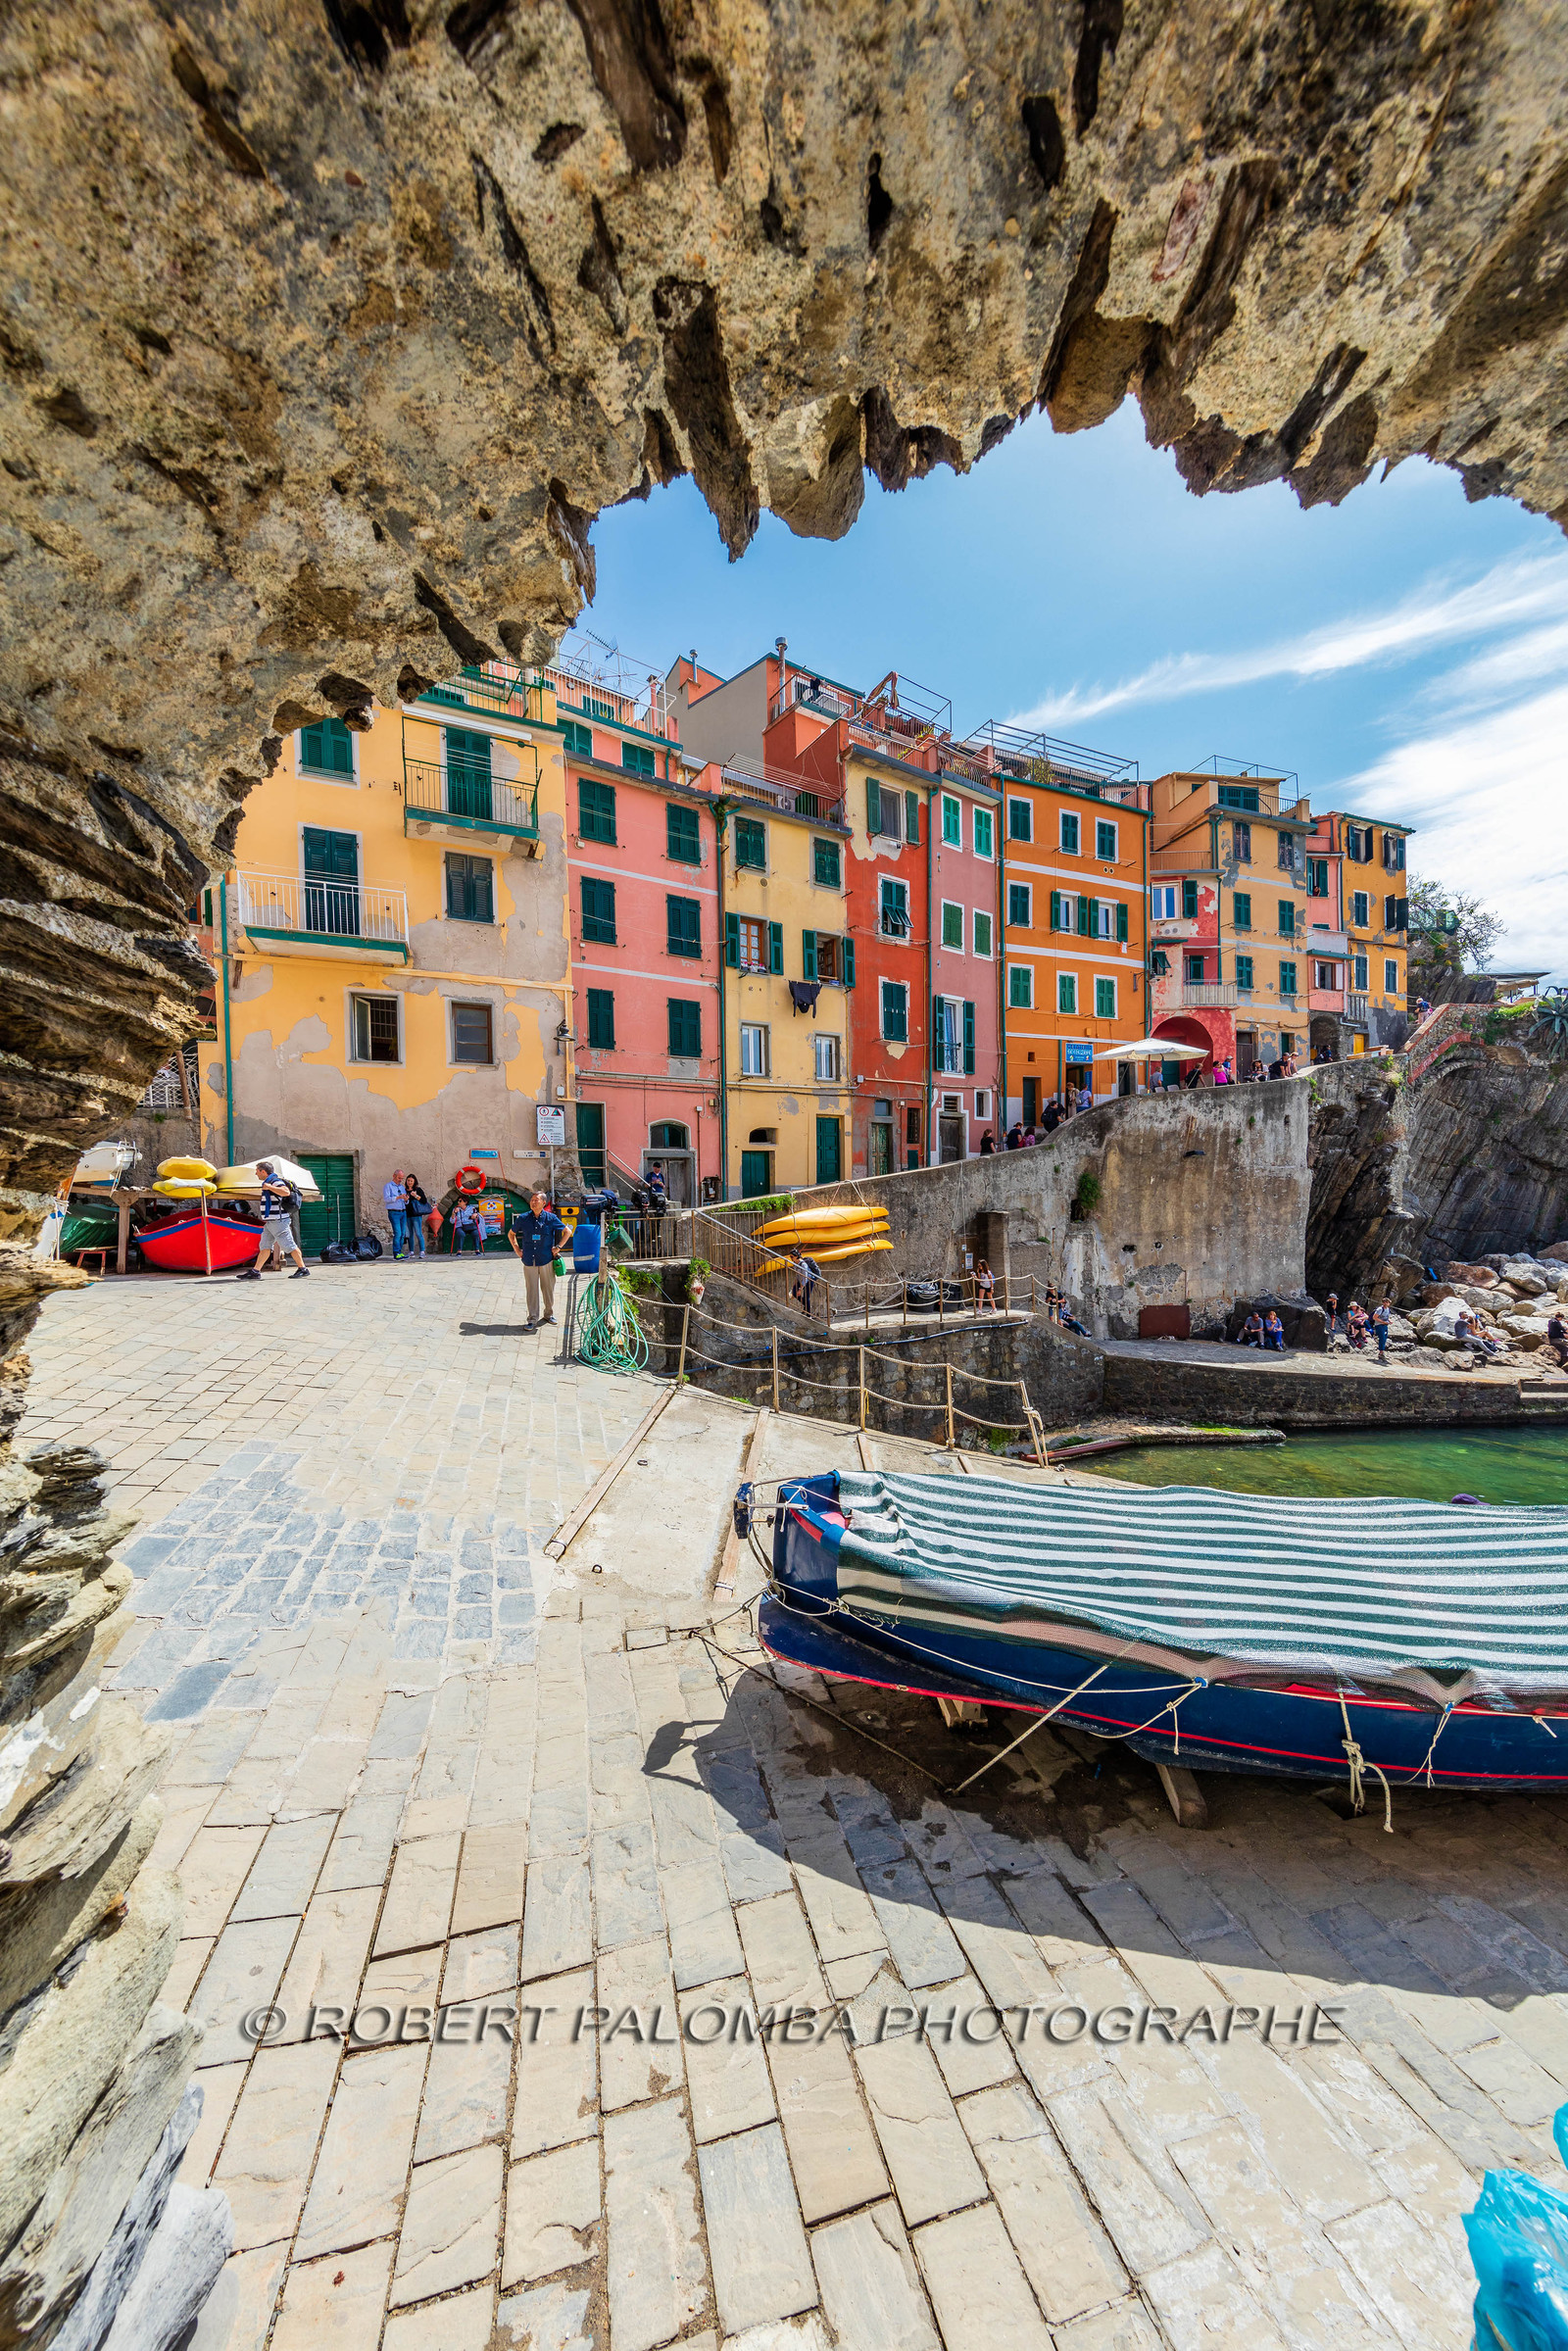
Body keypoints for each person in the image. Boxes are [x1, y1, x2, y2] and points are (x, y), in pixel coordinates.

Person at [236, 1160, 309, 1280]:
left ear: (263, 1171)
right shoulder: (270, 1182)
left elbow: (286, 1192)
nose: (256, 1174)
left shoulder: (275, 1182)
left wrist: (268, 1187)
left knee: (289, 1245)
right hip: (271, 1222)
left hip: (279, 1221)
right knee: (265, 1246)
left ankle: (303, 1269)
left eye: (257, 1171)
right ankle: (255, 1272)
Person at [508, 1187, 568, 1326]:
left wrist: (558, 1247)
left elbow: (567, 1231)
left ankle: (549, 1314)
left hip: (546, 1259)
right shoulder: (523, 1218)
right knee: (532, 1291)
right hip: (529, 1260)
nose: (533, 1202)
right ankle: (532, 1318)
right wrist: (517, 1250)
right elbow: (511, 1234)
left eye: (536, 1200)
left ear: (543, 1203)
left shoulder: (551, 1218)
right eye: (532, 1200)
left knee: (548, 1289)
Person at [403, 1171, 431, 1258]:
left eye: (411, 1181)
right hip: (407, 1215)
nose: (409, 1182)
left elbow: (424, 1201)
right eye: (408, 1180)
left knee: (418, 1233)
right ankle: (411, 1252)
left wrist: (415, 1196)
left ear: (414, 1181)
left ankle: (422, 1251)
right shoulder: (404, 1190)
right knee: (410, 1234)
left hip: (416, 1215)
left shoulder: (418, 1190)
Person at [788, 1246, 821, 1316]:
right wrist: (794, 1285)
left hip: (809, 1280)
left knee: (806, 1297)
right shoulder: (795, 1265)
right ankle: (806, 1307)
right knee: (794, 1292)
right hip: (801, 1280)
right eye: (790, 1257)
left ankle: (809, 1315)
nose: (791, 1258)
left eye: (792, 1257)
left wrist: (800, 1289)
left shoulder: (803, 1265)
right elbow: (798, 1275)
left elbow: (805, 1277)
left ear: (796, 1256)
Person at [383, 1169, 409, 1258]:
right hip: (394, 1212)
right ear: (394, 1176)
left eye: (402, 1178)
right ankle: (396, 1253)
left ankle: (400, 1252)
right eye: (399, 1178)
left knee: (403, 1233)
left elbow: (406, 1201)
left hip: (403, 1211)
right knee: (397, 1233)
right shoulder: (388, 1186)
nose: (400, 1180)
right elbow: (386, 1199)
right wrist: (398, 1197)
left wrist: (406, 1200)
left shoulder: (402, 1187)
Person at [1371, 1298, 1392, 1362]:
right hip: (1379, 1325)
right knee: (1382, 1338)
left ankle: (1381, 1352)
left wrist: (1389, 1321)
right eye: (1384, 1302)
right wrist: (1383, 1322)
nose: (1386, 1303)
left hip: (1385, 1325)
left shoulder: (1388, 1309)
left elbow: (1387, 1317)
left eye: (1387, 1302)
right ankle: (1381, 1352)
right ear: (1382, 1303)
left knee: (1384, 1339)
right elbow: (1374, 1317)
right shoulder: (1380, 1309)